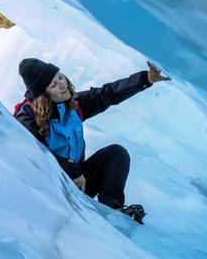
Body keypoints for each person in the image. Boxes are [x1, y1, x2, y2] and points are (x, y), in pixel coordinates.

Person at [12, 58, 170, 224]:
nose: (62, 84)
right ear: (42, 94)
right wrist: (71, 171)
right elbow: (32, 153)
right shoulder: (28, 116)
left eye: (60, 76)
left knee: (116, 153)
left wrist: (145, 79)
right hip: (51, 191)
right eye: (53, 85)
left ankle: (113, 212)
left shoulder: (71, 104)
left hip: (79, 183)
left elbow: (106, 94)